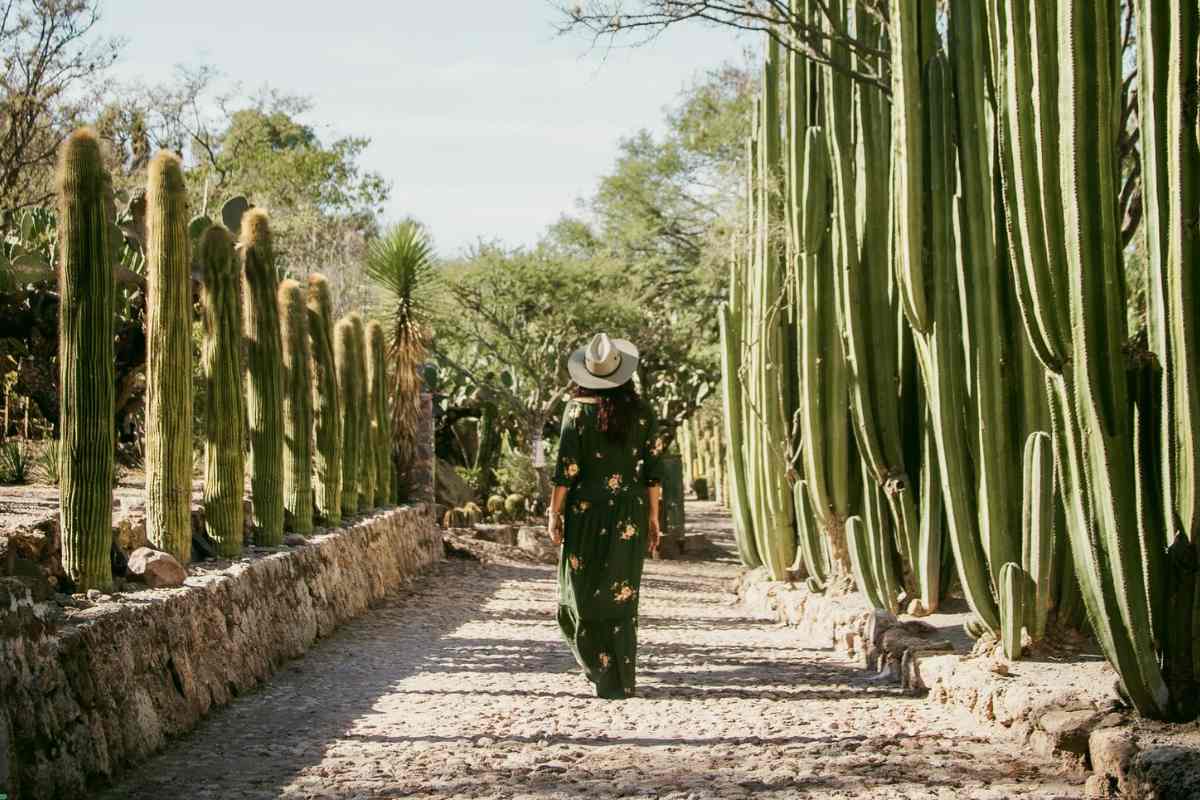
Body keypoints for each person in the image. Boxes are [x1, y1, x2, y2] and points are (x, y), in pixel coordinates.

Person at [548, 333, 664, 699]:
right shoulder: (644, 414)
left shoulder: (576, 412)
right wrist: (654, 520)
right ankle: (621, 678)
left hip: (585, 513)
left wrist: (554, 513)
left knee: (579, 593)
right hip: (629, 512)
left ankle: (598, 668)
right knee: (622, 595)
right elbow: (654, 475)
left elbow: (565, 470)